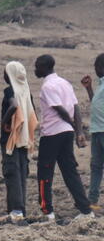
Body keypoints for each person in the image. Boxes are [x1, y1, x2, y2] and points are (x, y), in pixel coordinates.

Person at [34, 54, 93, 220]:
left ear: (45, 67)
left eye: (37, 66)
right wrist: (78, 131)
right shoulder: (64, 83)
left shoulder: (48, 87)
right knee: (70, 172)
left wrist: (76, 128)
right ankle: (86, 211)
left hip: (52, 134)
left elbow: (61, 111)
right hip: (66, 134)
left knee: (45, 173)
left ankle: (47, 212)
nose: (35, 69)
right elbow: (76, 107)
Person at [0, 61, 39, 222]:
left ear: (10, 76)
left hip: (11, 138)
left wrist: (5, 123)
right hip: (24, 137)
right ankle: (19, 210)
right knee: (22, 171)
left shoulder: (11, 91)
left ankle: (15, 211)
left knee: (11, 172)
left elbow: (14, 106)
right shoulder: (26, 91)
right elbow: (33, 114)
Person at [79, 53, 104, 209]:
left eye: (96, 67)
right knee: (95, 166)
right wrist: (89, 89)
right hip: (97, 132)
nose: (95, 70)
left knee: (96, 166)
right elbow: (97, 104)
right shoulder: (101, 85)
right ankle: (93, 201)